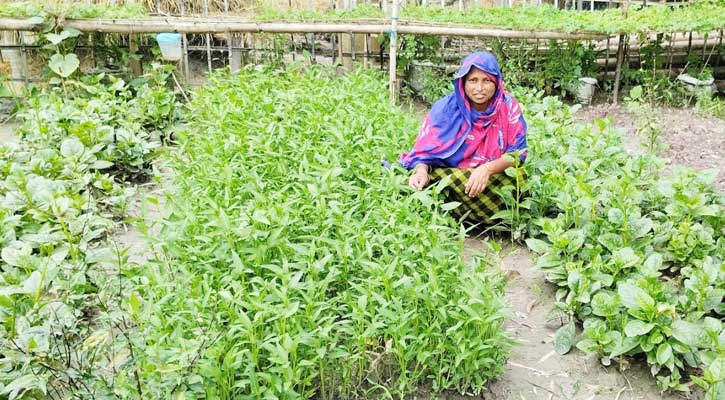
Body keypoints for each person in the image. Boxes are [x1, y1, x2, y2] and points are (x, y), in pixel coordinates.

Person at [400, 51, 528, 223]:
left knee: (519, 178)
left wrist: (487, 169)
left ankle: (488, 219)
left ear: (497, 82)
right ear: (463, 82)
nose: (480, 88)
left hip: (491, 179)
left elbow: (518, 153)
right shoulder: (446, 109)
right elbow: (425, 152)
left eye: (487, 80)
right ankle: (451, 215)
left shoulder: (508, 107)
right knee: (422, 183)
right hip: (453, 177)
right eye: (473, 80)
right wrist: (421, 171)